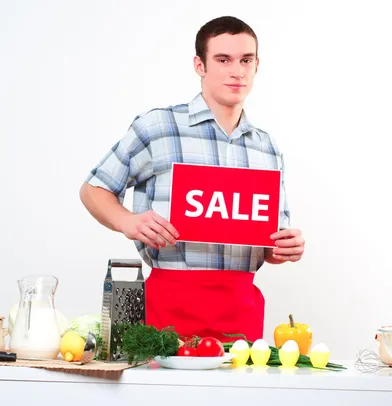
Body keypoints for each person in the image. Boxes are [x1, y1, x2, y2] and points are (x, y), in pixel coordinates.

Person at [79, 16, 305, 342]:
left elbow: (268, 241)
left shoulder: (267, 147)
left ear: (257, 65)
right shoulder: (158, 126)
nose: (237, 71)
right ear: (200, 65)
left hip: (241, 310)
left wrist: (284, 247)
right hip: (168, 305)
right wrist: (126, 221)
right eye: (223, 60)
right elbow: (93, 189)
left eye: (246, 60)